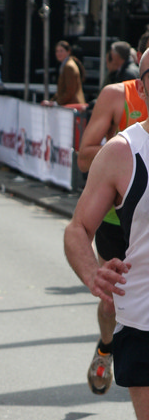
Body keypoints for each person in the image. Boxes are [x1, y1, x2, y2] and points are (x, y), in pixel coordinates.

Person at [64, 47, 149, 420]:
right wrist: (91, 273)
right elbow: (78, 228)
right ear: (143, 85)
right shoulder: (122, 151)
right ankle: (106, 345)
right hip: (143, 318)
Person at [76, 28, 149, 394]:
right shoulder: (116, 95)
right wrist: (119, 155)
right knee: (112, 301)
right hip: (115, 215)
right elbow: (84, 155)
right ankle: (107, 347)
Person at [49, 40, 85, 106]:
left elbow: (70, 92)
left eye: (61, 51)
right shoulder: (65, 65)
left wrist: (56, 103)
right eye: (57, 51)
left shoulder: (69, 67)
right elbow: (61, 91)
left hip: (72, 106)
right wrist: (51, 101)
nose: (59, 53)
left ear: (68, 52)